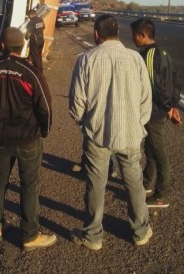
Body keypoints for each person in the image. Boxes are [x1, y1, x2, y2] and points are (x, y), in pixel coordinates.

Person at [68, 14, 153, 251]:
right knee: (134, 181)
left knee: (96, 183)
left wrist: (86, 125)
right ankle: (141, 231)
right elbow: (146, 101)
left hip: (97, 134)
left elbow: (76, 105)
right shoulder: (135, 59)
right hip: (130, 133)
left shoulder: (86, 59)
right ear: (118, 32)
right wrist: (137, 123)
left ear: (97, 34)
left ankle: (94, 236)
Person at [0, 27, 57, 252]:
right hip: (28, 138)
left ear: (3, 45)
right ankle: (30, 234)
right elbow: (45, 107)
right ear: (21, 45)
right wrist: (44, 130)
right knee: (29, 184)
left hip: (2, 138)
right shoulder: (30, 72)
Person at [130, 18, 178, 208]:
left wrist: (168, 107)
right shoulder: (164, 52)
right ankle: (146, 182)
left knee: (159, 153)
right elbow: (175, 80)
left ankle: (161, 195)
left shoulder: (149, 56)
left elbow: (158, 88)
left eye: (134, 35)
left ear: (143, 35)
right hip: (160, 110)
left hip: (153, 111)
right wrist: (173, 105)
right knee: (149, 147)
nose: (133, 39)